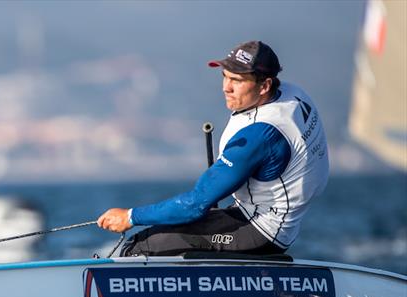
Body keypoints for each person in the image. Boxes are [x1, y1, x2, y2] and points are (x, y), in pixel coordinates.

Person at [97, 41, 329, 256]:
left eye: (237, 81)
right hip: (273, 219)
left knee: (142, 246)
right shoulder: (292, 94)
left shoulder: (258, 136)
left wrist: (130, 216)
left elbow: (195, 205)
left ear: (264, 85)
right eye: (225, 77)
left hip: (261, 232)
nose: (226, 88)